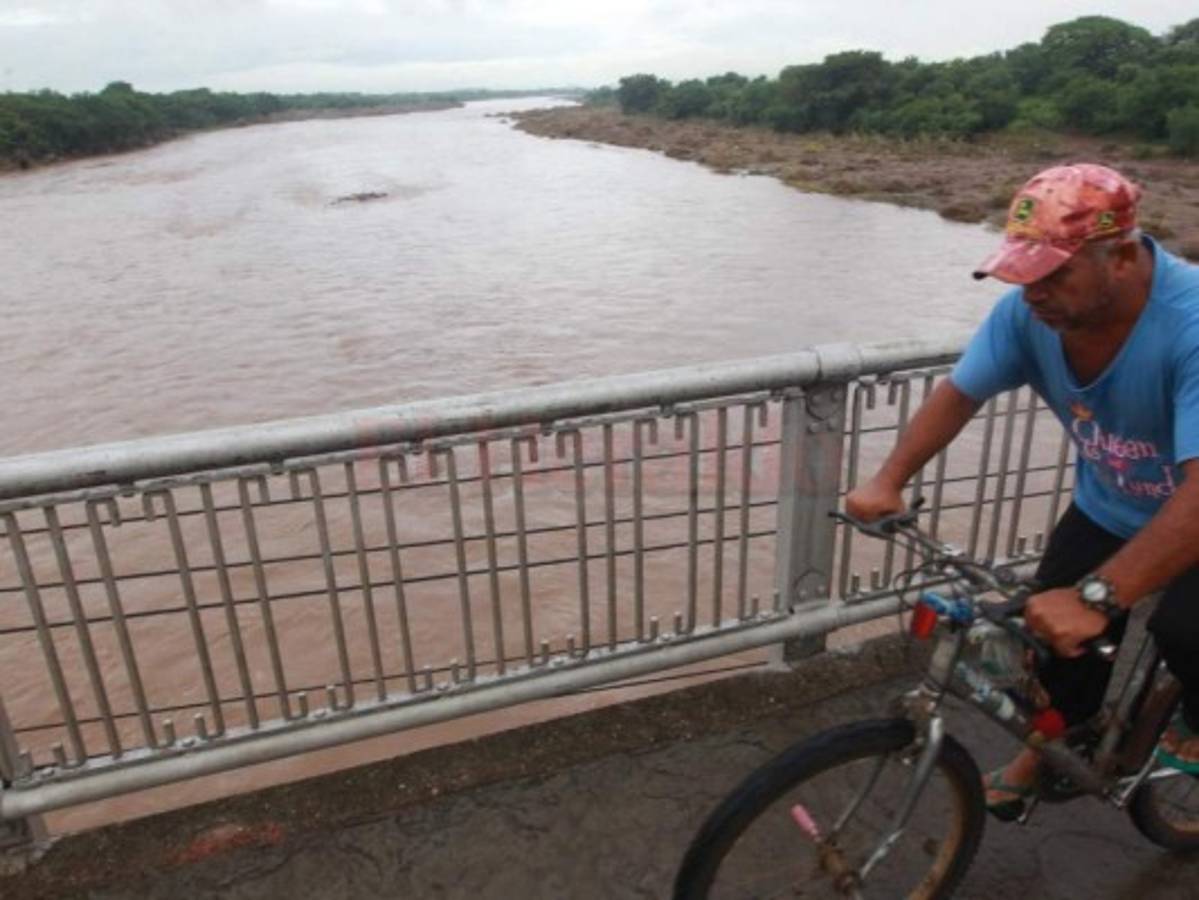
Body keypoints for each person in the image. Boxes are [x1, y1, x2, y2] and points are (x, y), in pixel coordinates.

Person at [845, 162, 1199, 821]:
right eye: (1020, 270)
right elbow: (957, 395)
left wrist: (1102, 593)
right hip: (1114, 504)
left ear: (1118, 257)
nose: (1030, 292)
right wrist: (887, 478)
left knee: (1185, 628)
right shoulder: (1026, 315)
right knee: (1050, 635)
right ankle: (1052, 750)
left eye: (1052, 273)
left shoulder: (1190, 324)